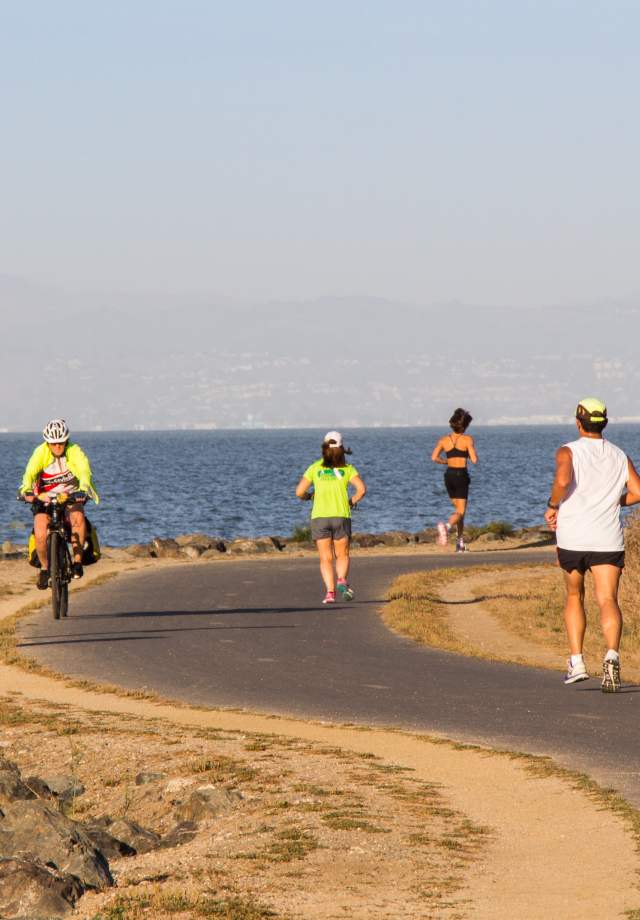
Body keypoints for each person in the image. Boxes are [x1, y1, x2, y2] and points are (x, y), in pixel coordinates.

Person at [544, 398, 640, 692]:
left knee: (575, 595)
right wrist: (614, 501)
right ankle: (611, 656)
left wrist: (552, 504)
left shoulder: (568, 451)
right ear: (604, 423)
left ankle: (577, 662)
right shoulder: (618, 454)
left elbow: (562, 479)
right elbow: (637, 492)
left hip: (573, 537)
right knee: (608, 599)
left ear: (578, 422)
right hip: (607, 538)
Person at [19, 419, 100, 589]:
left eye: (61, 443)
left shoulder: (74, 451)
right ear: (47, 442)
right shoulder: (40, 453)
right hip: (45, 497)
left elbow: (85, 471)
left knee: (78, 517)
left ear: (66, 441)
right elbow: (29, 474)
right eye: (53, 443)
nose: (57, 446)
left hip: (71, 495)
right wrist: (25, 489)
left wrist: (84, 488)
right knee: (40, 530)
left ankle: (77, 562)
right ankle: (45, 569)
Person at [295, 431, 366, 604]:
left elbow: (299, 492)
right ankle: (341, 579)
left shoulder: (315, 468)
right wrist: (351, 501)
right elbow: (362, 490)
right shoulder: (347, 469)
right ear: (342, 448)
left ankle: (330, 593)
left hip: (320, 517)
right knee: (342, 554)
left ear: (324, 447)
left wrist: (309, 497)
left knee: (325, 558)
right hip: (341, 515)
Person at [431, 408, 477, 552]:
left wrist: (446, 462)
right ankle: (446, 527)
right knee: (461, 511)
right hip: (461, 476)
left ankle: (460, 543)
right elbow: (474, 460)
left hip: (449, 476)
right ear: (463, 426)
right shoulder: (468, 439)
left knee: (458, 511)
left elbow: (434, 458)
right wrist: (470, 455)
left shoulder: (444, 440)